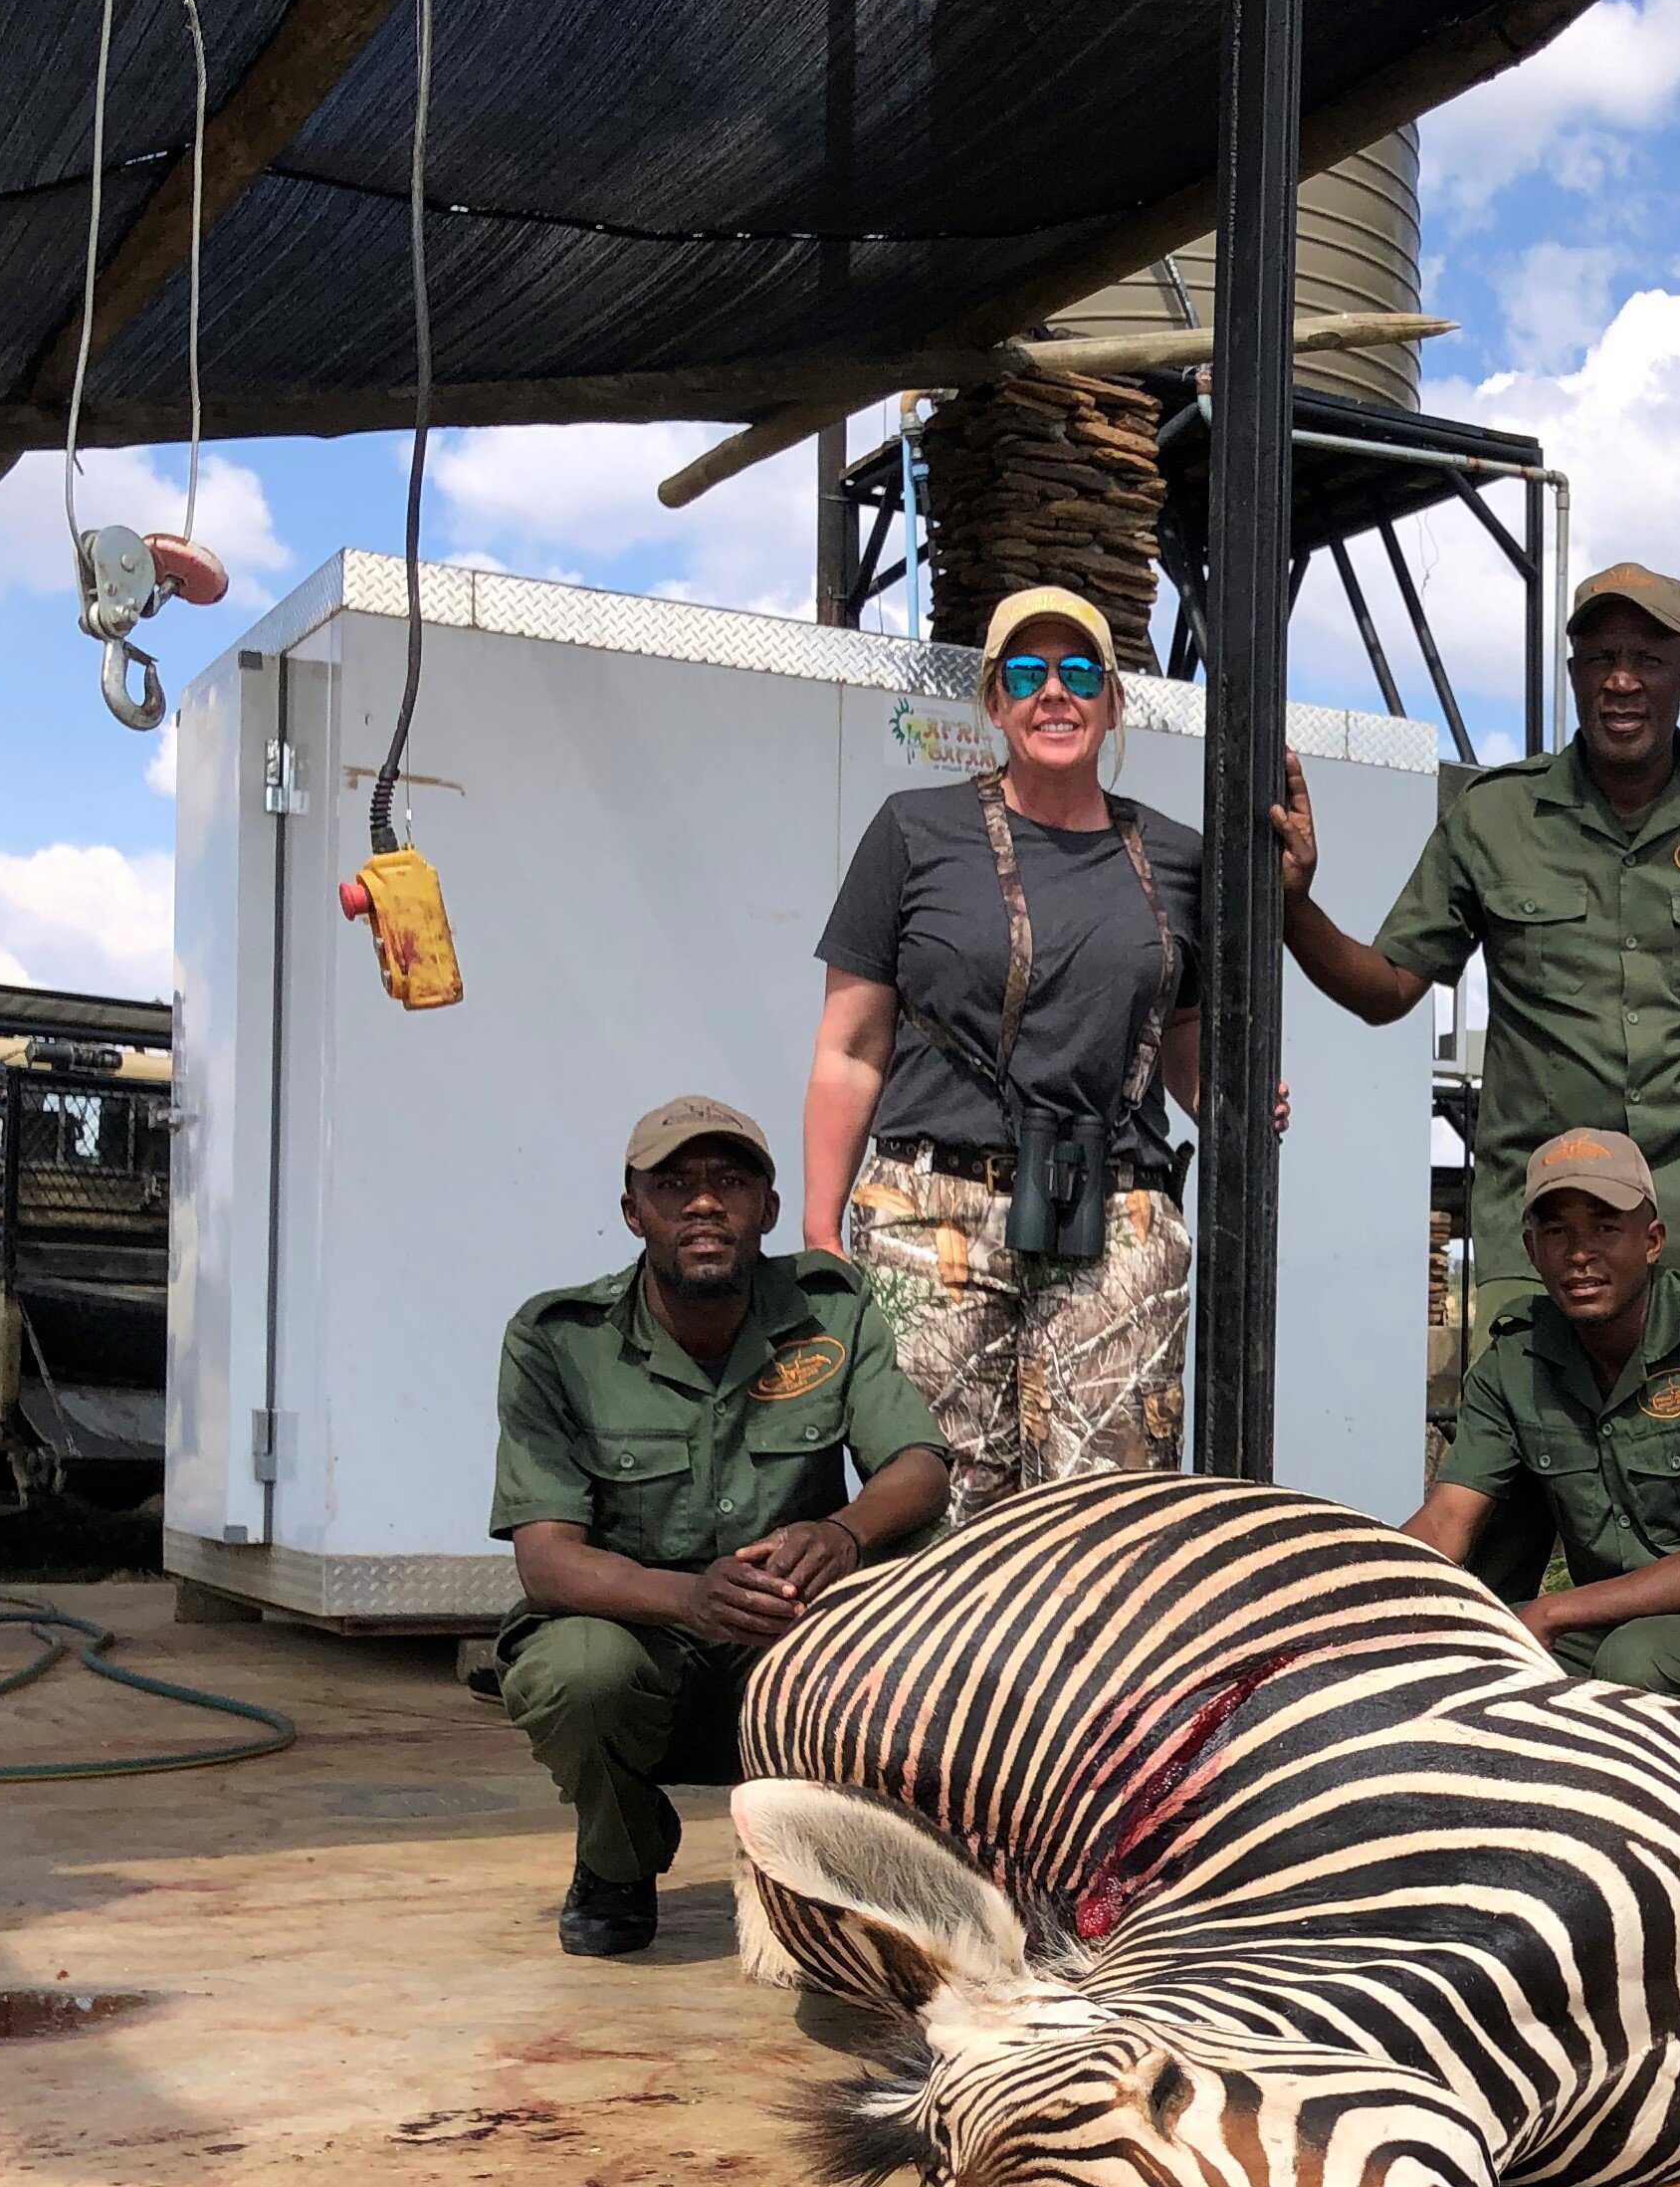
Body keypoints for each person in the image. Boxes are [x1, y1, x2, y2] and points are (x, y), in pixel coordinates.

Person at [1273, 562, 1680, 1322]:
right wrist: (1295, 906)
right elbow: (1388, 987)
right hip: (1542, 1244)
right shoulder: (1494, 819)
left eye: (1647, 661)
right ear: (1573, 675)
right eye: (1600, 660)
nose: (1622, 681)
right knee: (1522, 1443)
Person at [492, 1097, 949, 1957]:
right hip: (641, 1643)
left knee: (914, 1640)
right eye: (674, 1185)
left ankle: (827, 1871)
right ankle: (616, 1857)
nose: (704, 1204)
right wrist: (691, 1598)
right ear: (634, 1212)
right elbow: (547, 1563)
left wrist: (843, 1535)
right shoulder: (559, 1341)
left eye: (731, 1183)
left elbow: (918, 1466)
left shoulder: (833, 1311)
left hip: (786, 1644)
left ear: (768, 1210)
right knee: (577, 1672)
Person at [800, 583, 1206, 1519]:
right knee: (936, 1512)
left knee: (1107, 1525)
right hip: (930, 1211)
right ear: (992, 700)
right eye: (1026, 672)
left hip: (1116, 1213)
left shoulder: (1176, 856)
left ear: (1113, 701)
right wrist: (823, 1236)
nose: (1052, 693)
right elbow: (851, 1047)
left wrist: (1240, 1094)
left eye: (1078, 674)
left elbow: (1181, 1039)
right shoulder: (914, 831)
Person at [1403, 1127, 1680, 1732]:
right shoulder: (1514, 1361)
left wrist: (1554, 1612)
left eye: (1605, 1228)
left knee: (1639, 1662)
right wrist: (1356, 1600)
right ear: (1531, 1251)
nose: (1579, 1253)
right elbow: (1447, 1520)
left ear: (1652, 1241)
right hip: (1608, 1630)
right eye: (1556, 1232)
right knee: (1463, 1666)